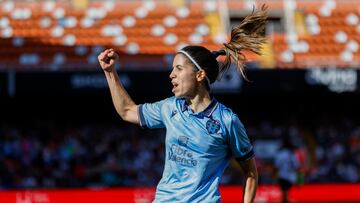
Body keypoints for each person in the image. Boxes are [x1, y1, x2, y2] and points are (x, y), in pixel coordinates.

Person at [98, 5, 268, 203]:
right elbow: (127, 111)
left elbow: (250, 172)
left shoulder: (227, 120)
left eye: (178, 68)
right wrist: (110, 72)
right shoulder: (170, 107)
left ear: (199, 74)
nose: (171, 75)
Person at [274, 136, 300, 203]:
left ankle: (285, 199)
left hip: (282, 175)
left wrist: (274, 174)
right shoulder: (292, 154)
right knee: (286, 191)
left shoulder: (280, 153)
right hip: (291, 177)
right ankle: (285, 199)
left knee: (284, 191)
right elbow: (296, 166)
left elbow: (277, 166)